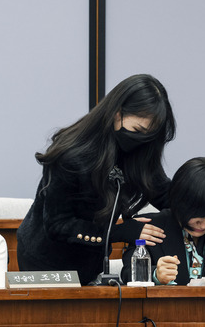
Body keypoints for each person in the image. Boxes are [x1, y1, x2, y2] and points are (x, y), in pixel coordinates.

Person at [17, 74, 176, 285]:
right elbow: (58, 224)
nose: (142, 141)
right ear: (117, 114)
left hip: (91, 264)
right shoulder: (71, 154)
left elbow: (167, 195)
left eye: (149, 135)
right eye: (137, 131)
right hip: (46, 261)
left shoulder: (140, 153)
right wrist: (120, 232)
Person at [121, 157, 205, 285]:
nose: (203, 225)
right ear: (180, 202)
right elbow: (127, 273)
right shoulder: (150, 226)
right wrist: (155, 274)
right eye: (197, 218)